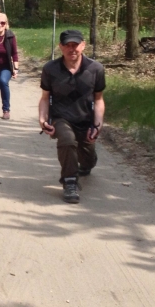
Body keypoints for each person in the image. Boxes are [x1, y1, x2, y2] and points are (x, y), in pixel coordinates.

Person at [38, 29, 106, 204]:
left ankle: (88, 162)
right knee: (67, 140)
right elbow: (45, 98)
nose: (71, 49)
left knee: (87, 160)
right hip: (60, 118)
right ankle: (70, 182)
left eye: (75, 45)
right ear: (60, 47)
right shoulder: (50, 69)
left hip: (85, 120)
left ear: (83, 45)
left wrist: (98, 124)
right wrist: (43, 120)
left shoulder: (95, 69)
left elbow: (99, 99)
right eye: (67, 45)